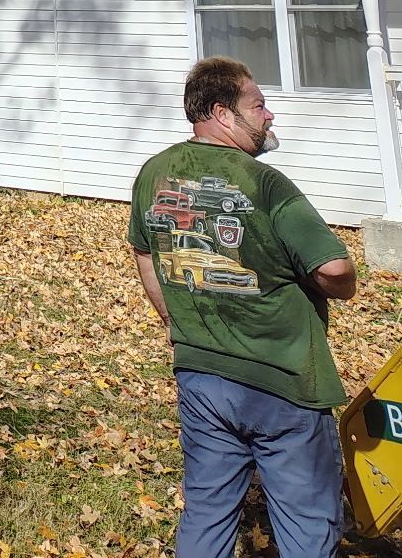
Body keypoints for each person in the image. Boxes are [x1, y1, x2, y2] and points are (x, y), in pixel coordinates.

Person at [129, 56, 356, 558]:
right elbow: (335, 269)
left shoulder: (154, 173)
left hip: (201, 377)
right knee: (306, 522)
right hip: (284, 379)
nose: (269, 115)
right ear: (221, 113)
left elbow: (145, 250)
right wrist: (341, 286)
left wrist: (174, 318)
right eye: (259, 105)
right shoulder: (264, 182)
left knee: (208, 511)